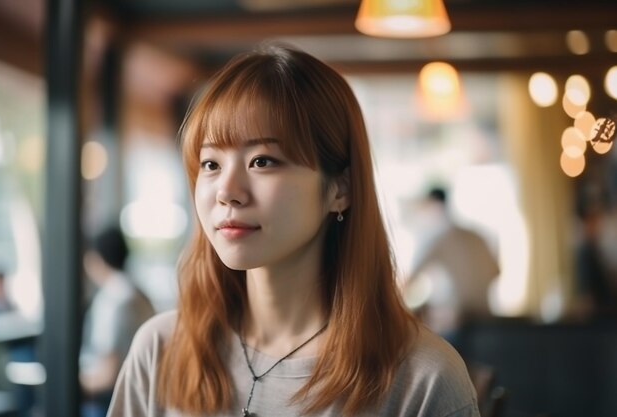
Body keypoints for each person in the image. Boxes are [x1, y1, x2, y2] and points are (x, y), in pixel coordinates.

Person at [107, 44, 479, 417]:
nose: (226, 192)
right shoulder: (161, 350)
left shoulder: (422, 378)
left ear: (340, 189)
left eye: (262, 161)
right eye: (210, 163)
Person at [402, 187, 500, 348]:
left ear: (432, 204)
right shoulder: (475, 236)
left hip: (458, 325)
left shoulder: (437, 235)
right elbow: (496, 272)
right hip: (488, 322)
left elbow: (409, 279)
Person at [80, 225, 155, 417]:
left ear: (96, 259)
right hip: (144, 395)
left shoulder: (112, 300)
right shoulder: (138, 293)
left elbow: (108, 374)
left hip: (113, 400)